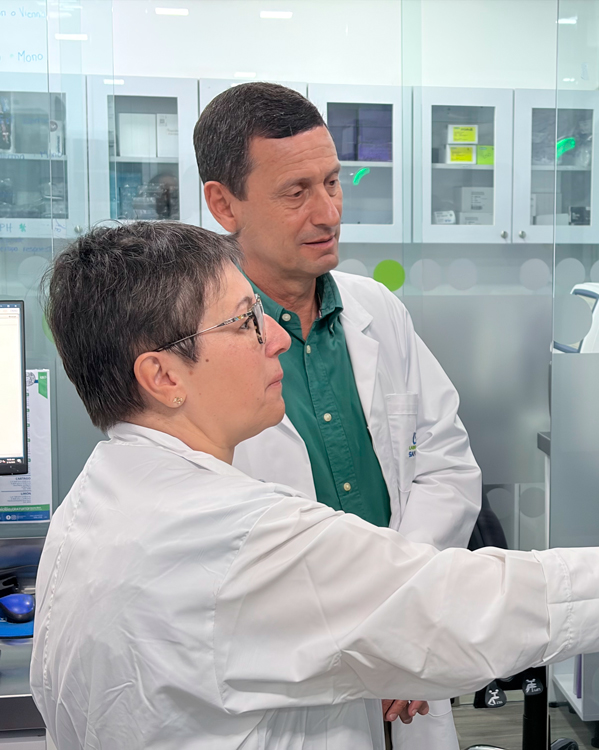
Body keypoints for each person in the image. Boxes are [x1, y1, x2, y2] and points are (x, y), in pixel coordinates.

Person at [30, 222, 599, 750]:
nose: (278, 338)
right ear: (162, 375)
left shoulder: (95, 503)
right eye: (246, 322)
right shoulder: (229, 538)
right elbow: (474, 604)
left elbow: (441, 479)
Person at [194, 81, 479, 749]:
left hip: (405, 659)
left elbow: (446, 465)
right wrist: (362, 639)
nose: (328, 212)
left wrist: (404, 618)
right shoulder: (195, 346)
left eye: (331, 182)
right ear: (224, 203)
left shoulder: (378, 310)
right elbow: (207, 541)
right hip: (286, 679)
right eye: (296, 192)